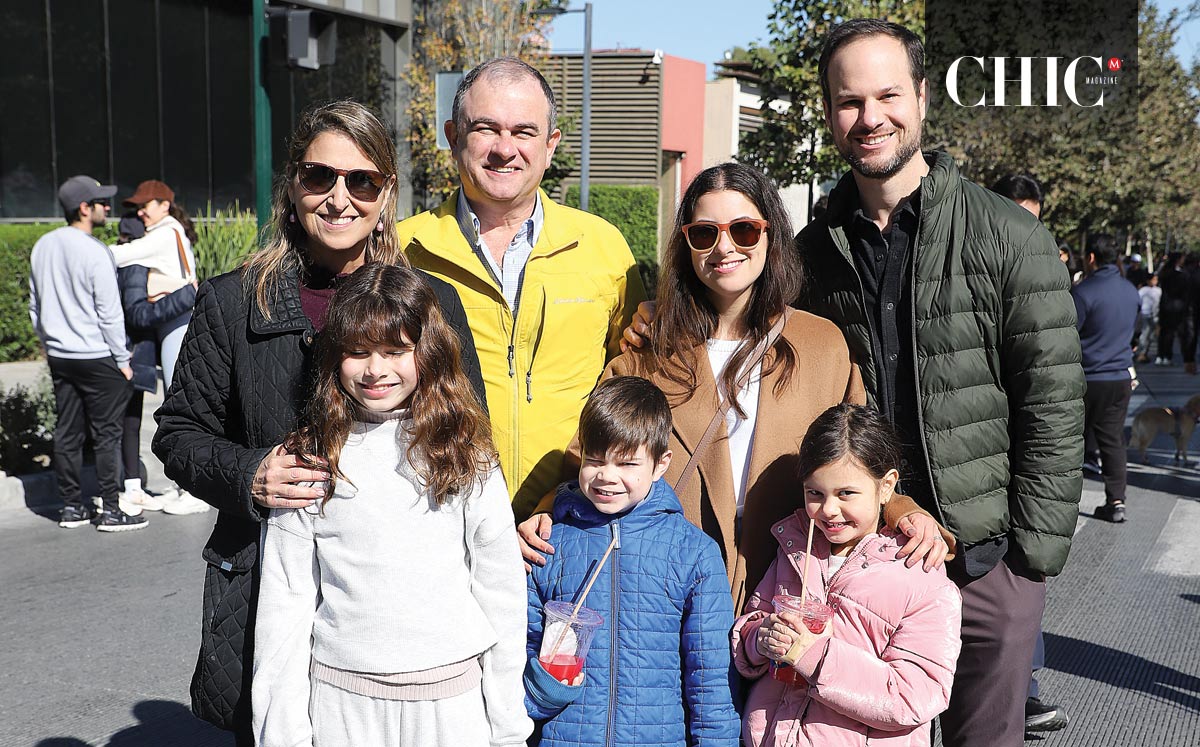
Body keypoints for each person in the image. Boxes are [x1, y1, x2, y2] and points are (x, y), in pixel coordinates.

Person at [152, 100, 485, 745]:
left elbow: (470, 438)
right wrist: (250, 473)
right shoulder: (232, 301)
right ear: (293, 185)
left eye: (361, 181)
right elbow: (178, 431)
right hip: (263, 588)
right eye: (319, 176)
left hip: (394, 603)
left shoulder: (432, 303)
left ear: (385, 193)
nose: (339, 198)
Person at [796, 20, 1084, 747]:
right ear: (829, 112)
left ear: (922, 97)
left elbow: (1052, 403)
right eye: (850, 101)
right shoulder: (813, 252)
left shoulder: (1009, 236)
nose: (870, 117)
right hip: (863, 559)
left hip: (987, 566)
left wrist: (1027, 564)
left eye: (888, 95)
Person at [521, 162, 952, 616]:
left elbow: (858, 460)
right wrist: (548, 512)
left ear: (771, 235)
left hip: (788, 590)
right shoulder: (647, 350)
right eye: (704, 233)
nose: (724, 247)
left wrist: (900, 509)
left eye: (744, 230)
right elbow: (587, 461)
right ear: (686, 243)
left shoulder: (821, 345)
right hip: (665, 596)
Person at [252, 264, 528, 747]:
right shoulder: (311, 458)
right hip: (343, 702)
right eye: (358, 352)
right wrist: (283, 735)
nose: (375, 369)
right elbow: (286, 601)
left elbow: (500, 589)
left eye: (396, 351)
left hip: (452, 703)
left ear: (428, 351)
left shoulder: (466, 452)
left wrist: (507, 726)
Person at [399, 57, 646, 520]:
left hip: (572, 519)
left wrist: (567, 495)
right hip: (439, 517)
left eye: (524, 132)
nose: (504, 149)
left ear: (550, 146)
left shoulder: (604, 247)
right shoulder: (402, 250)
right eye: (486, 129)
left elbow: (629, 380)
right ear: (453, 137)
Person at [524, 375, 739, 746]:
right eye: (594, 460)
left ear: (660, 464)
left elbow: (712, 682)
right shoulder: (548, 545)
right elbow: (518, 653)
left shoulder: (694, 553)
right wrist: (542, 691)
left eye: (627, 464)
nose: (607, 476)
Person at [732, 403, 961, 747]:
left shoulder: (922, 576)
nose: (828, 510)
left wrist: (813, 654)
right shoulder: (794, 548)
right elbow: (755, 620)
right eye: (815, 493)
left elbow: (916, 695)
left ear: (887, 486)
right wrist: (758, 640)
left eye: (846, 494)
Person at [989, 173, 1072, 735]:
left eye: (1033, 216)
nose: (1026, 225)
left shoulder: (1041, 265)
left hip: (1015, 499)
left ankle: (1027, 689)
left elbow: (1054, 397)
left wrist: (1038, 543)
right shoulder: (974, 255)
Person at [29, 175, 144, 532]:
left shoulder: (42, 246)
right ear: (83, 208)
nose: (107, 207)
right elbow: (109, 313)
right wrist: (123, 360)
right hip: (97, 356)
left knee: (67, 431)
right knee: (107, 434)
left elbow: (35, 306)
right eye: (101, 202)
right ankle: (111, 510)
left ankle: (71, 507)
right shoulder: (95, 251)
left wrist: (49, 343)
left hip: (60, 356)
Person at [115, 215, 205, 514]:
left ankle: (184, 488)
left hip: (126, 351)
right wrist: (187, 294)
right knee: (148, 417)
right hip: (132, 352)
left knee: (139, 419)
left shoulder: (126, 261)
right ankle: (179, 487)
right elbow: (138, 314)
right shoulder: (136, 264)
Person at [1074, 235, 1141, 523]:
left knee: (1070, 441)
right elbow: (1136, 332)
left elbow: (1069, 333)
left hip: (1087, 377)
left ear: (1091, 257)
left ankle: (1063, 503)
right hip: (1119, 376)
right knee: (1113, 440)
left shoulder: (1083, 291)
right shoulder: (1131, 290)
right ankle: (1116, 501)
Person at [111, 179, 197, 390]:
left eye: (145, 206)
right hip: (174, 312)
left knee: (175, 389)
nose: (140, 212)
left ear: (164, 205)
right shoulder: (169, 231)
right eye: (138, 207)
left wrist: (87, 248)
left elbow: (117, 255)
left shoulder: (164, 234)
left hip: (176, 318)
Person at [1136, 274, 1161, 364]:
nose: (1155, 281)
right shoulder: (1143, 290)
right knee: (1145, 334)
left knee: (1152, 335)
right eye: (1153, 279)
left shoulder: (1158, 290)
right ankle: (1142, 353)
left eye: (1156, 279)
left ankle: (1146, 352)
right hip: (1144, 314)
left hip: (1155, 315)